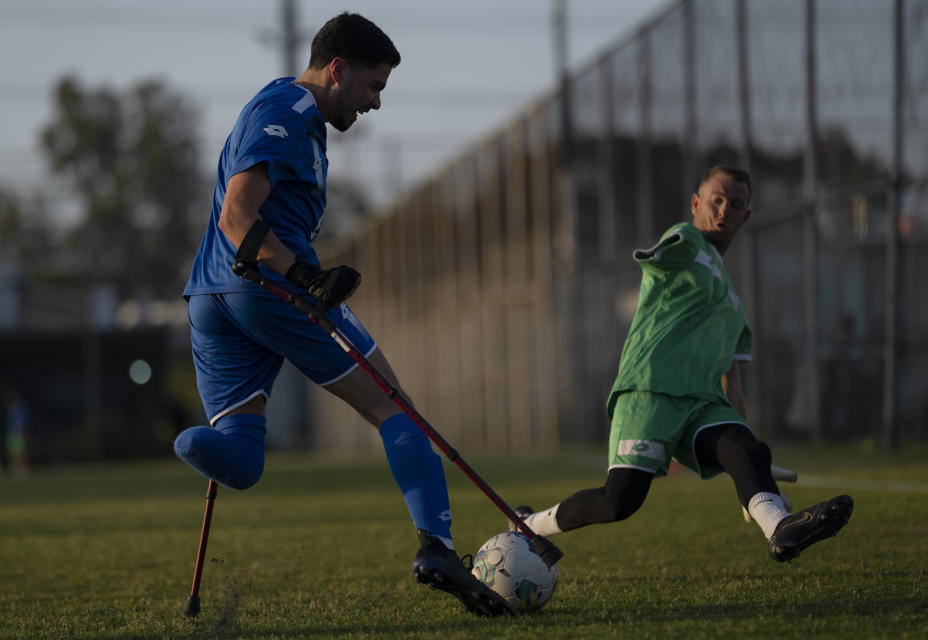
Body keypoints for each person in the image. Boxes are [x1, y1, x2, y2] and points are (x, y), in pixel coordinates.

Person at [173, 13, 509, 617]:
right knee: (394, 406)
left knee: (241, 459)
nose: (376, 103)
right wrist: (307, 278)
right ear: (336, 70)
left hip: (209, 298)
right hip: (266, 288)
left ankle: (196, 442)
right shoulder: (291, 111)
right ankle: (436, 547)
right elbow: (236, 215)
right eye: (372, 86)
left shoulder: (289, 116)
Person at [511, 166, 853, 563]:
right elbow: (665, 250)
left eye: (736, 204)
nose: (724, 210)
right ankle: (527, 525)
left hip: (702, 404)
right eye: (717, 201)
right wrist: (664, 250)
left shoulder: (735, 308)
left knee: (749, 452)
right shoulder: (688, 241)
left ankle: (780, 527)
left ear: (747, 217)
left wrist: (750, 466)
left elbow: (734, 386)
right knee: (619, 501)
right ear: (696, 204)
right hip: (650, 391)